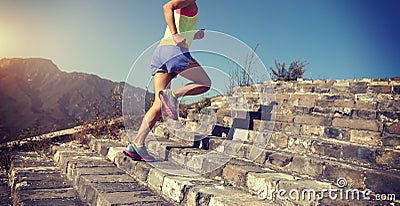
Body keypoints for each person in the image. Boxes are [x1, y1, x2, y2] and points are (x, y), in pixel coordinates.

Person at [124, 0, 211, 161]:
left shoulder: (190, 6)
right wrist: (175, 34)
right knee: (205, 83)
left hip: (161, 53)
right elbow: (167, 7)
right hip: (174, 51)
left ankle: (137, 145)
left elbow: (180, 22)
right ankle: (174, 95)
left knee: (159, 103)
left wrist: (195, 35)